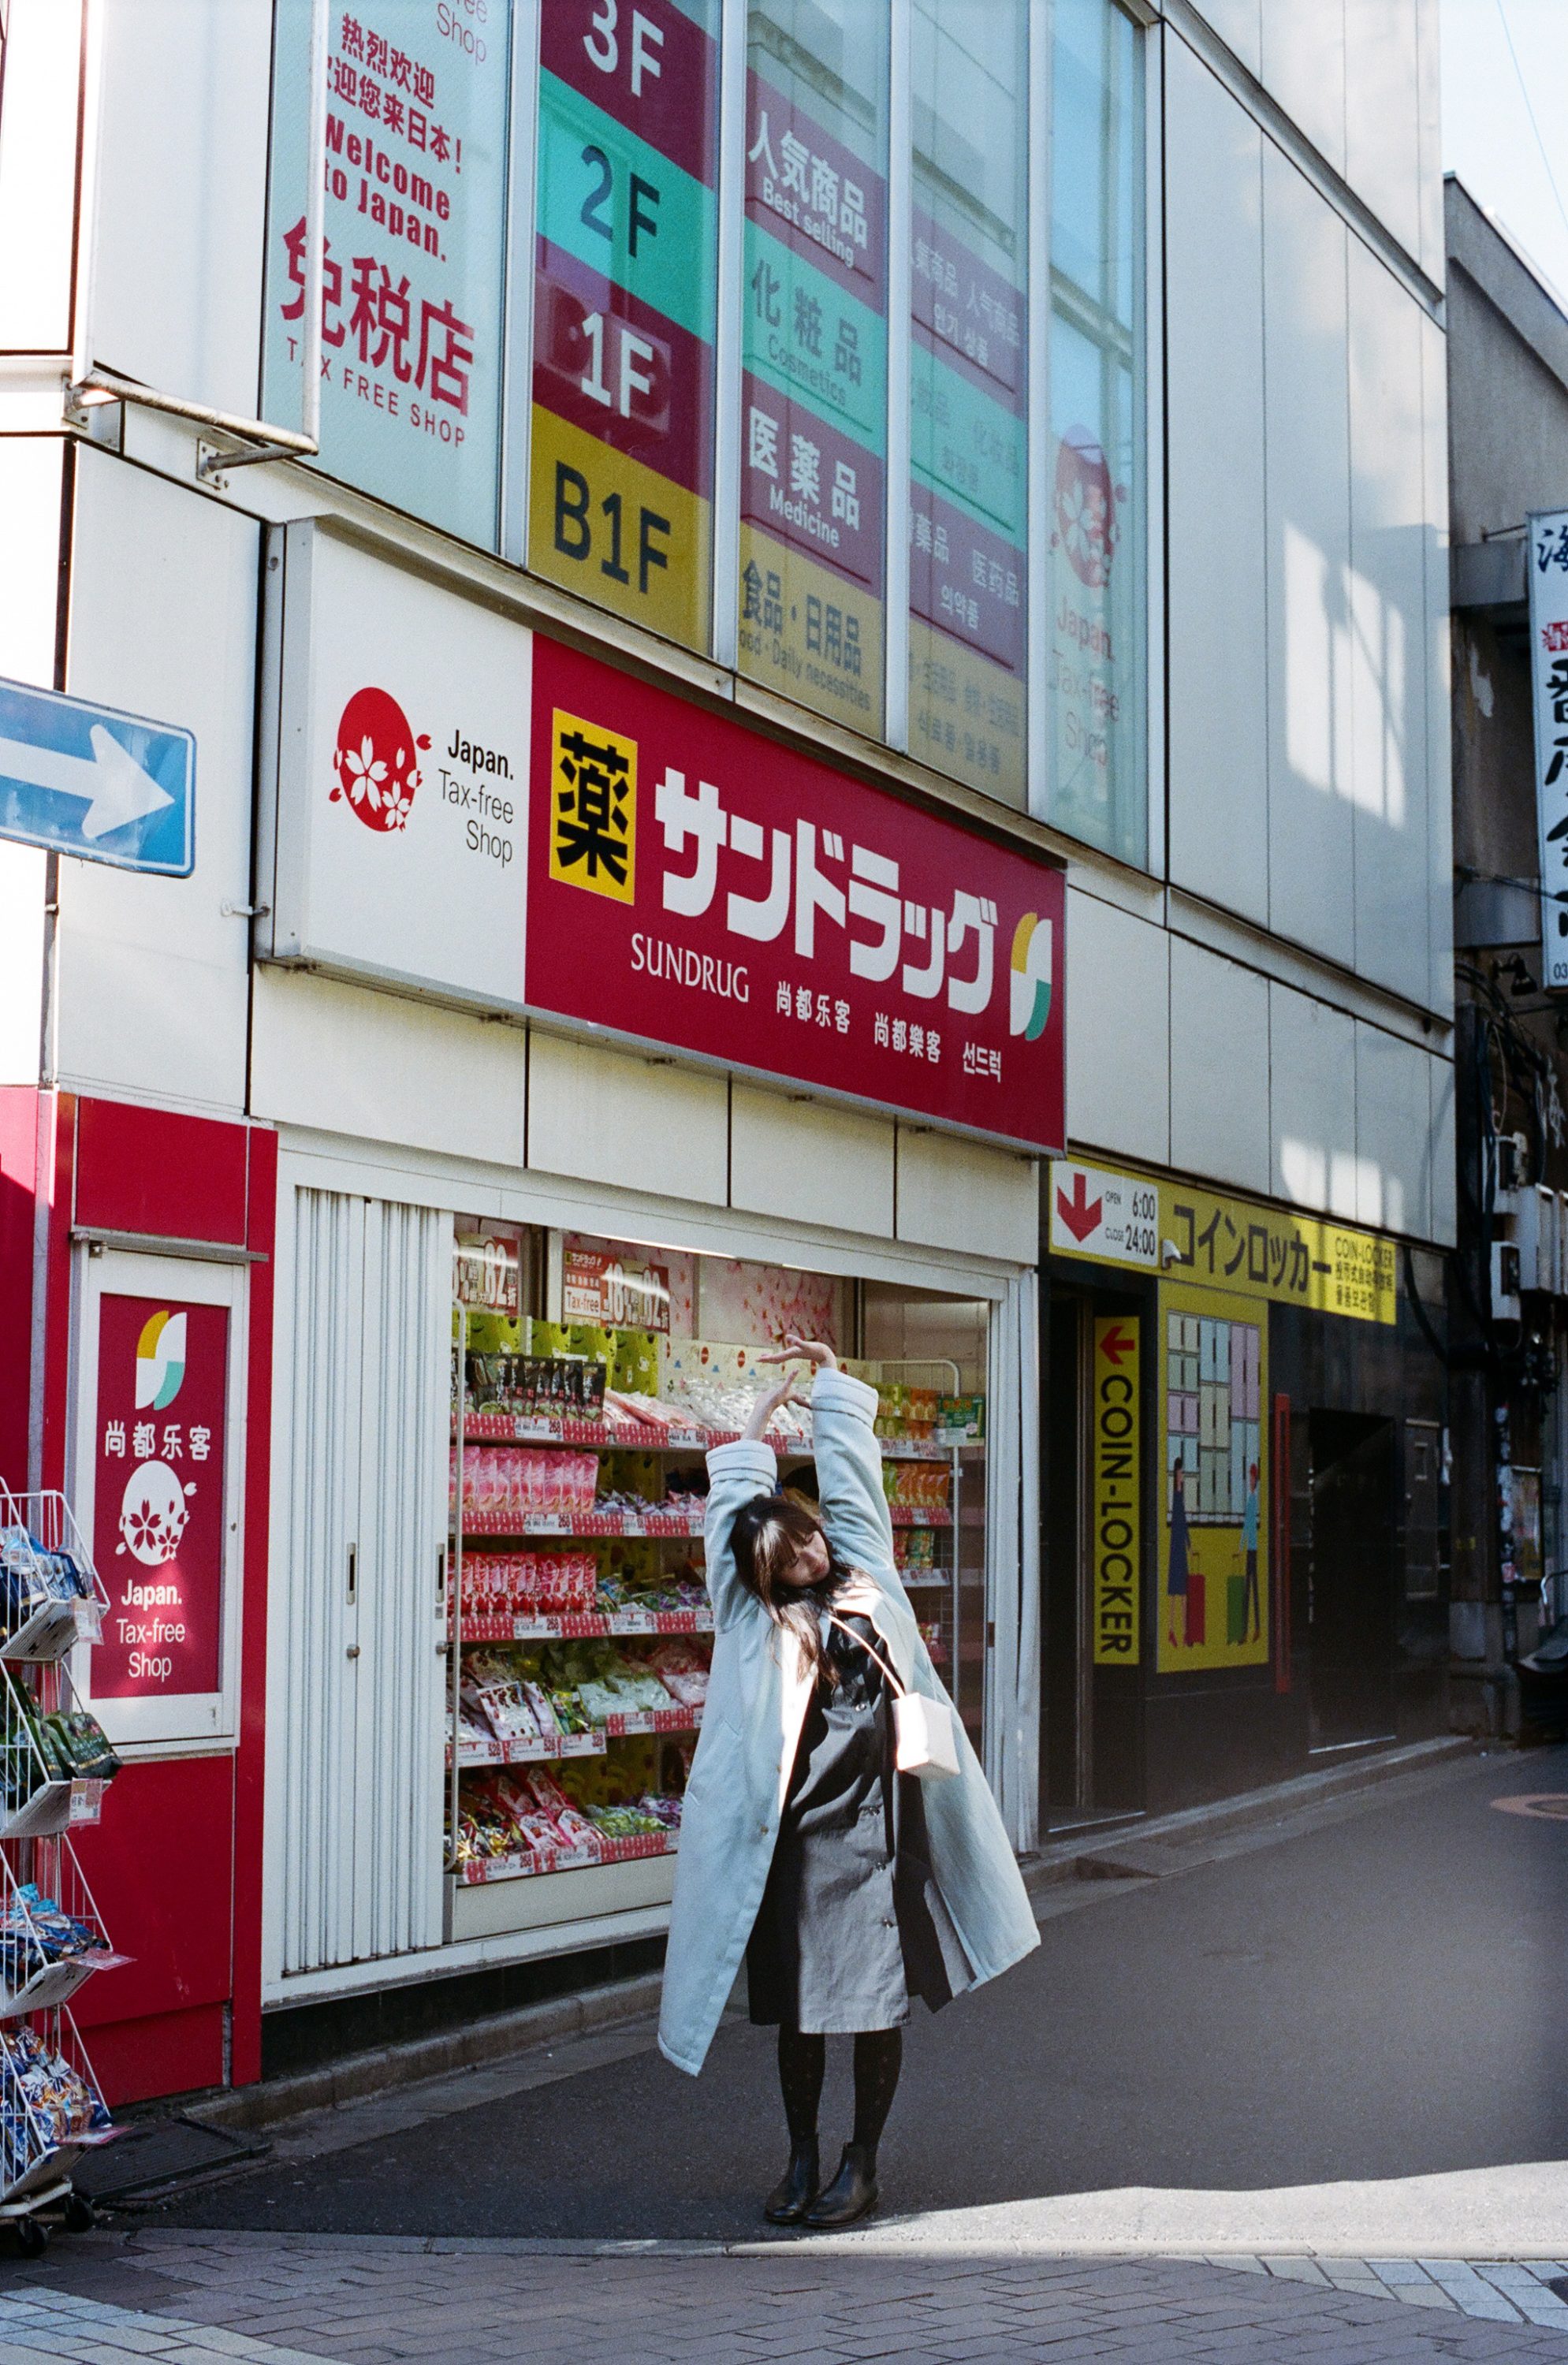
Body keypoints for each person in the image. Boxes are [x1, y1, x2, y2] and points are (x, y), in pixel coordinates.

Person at [658, 1334, 1039, 2230]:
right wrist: (754, 1427)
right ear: (762, 1571)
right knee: (799, 2013)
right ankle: (800, 2157)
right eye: (791, 1553)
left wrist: (830, 1389)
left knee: (871, 2009)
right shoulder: (748, 1620)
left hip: (875, 1836)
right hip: (792, 1838)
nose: (812, 1554)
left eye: (810, 1536)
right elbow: (729, 1523)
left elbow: (856, 1490)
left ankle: (860, 2164)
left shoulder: (871, 1581)